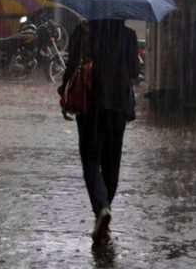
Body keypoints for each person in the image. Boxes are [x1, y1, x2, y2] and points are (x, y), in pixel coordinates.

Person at [59, 20, 139, 245]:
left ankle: (102, 208)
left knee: (91, 160)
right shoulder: (129, 35)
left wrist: (63, 93)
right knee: (112, 163)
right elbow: (134, 70)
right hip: (118, 105)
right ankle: (103, 213)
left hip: (89, 103)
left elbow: (72, 65)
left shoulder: (83, 31)